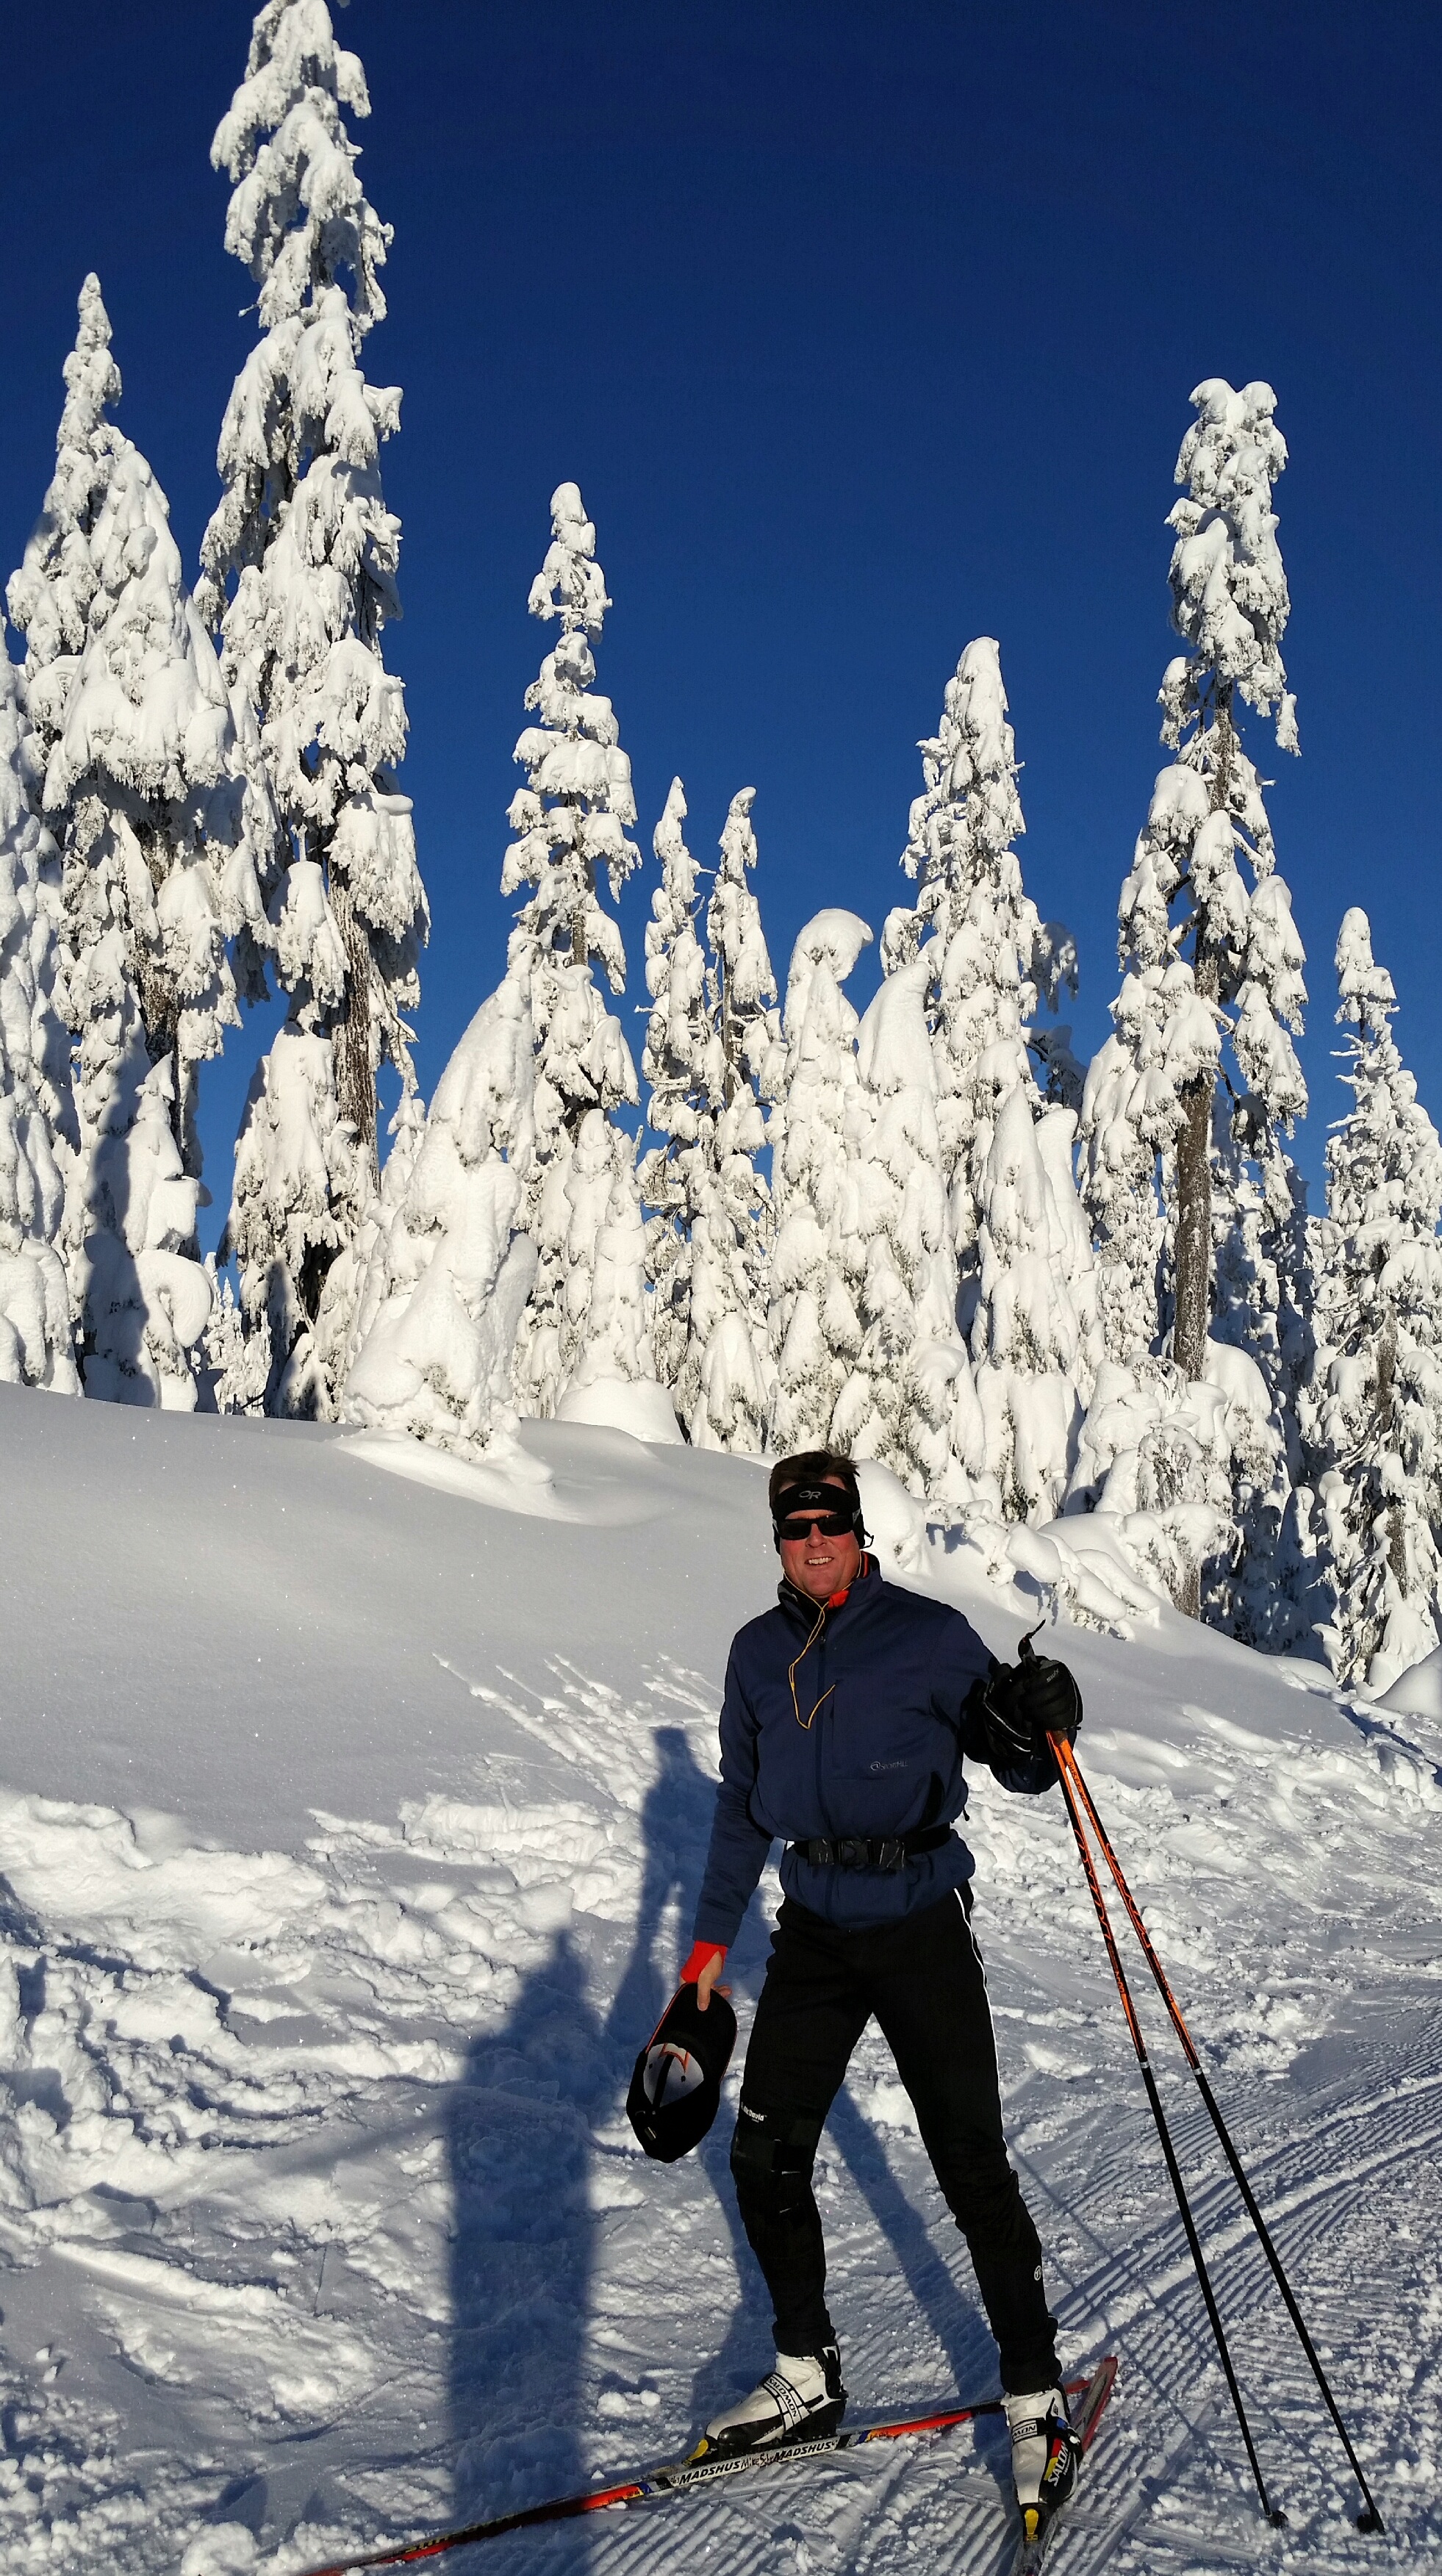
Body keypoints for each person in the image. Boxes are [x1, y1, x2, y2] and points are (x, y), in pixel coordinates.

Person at [680, 1448, 1086, 2542]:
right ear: (776, 1537)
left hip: (915, 1919)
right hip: (811, 1925)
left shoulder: (927, 1634)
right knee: (764, 2150)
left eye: (831, 1521)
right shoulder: (756, 1655)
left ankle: (1035, 2388)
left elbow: (1015, 1757)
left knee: (968, 2156)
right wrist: (706, 1948)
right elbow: (736, 1808)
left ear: (859, 1528)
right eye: (794, 1524)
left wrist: (1046, 1713)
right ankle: (805, 2371)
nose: (813, 1540)